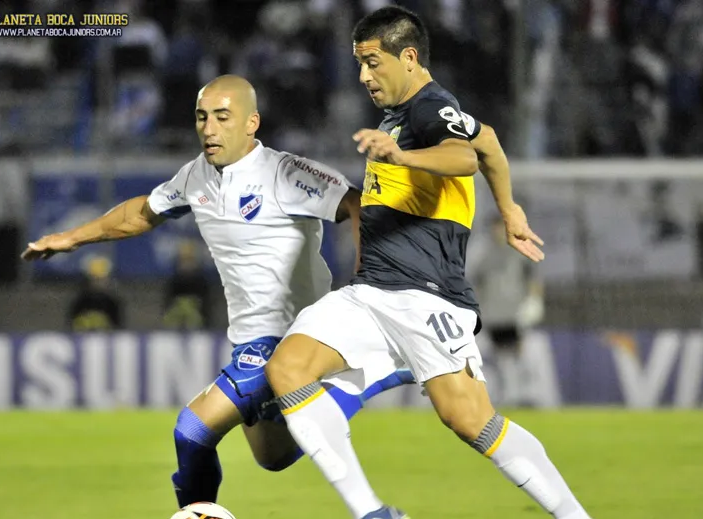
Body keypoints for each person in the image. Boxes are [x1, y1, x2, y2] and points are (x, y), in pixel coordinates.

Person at [21, 75, 412, 508]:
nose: (209, 128)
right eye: (202, 117)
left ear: (251, 123)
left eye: (222, 117)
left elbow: (358, 205)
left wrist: (366, 282)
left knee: (192, 430)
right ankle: (370, 374)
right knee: (272, 455)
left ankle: (198, 515)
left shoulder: (286, 173)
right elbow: (142, 213)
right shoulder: (196, 177)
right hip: (247, 339)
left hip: (291, 333)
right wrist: (72, 238)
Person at [265, 7, 593, 519]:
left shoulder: (427, 106)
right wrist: (508, 209)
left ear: (409, 57)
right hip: (371, 292)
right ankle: (372, 512)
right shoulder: (407, 113)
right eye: (358, 64)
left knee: (469, 419)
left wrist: (402, 157)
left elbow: (462, 157)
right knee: (287, 368)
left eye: (372, 62)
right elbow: (487, 142)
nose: (363, 76)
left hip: (425, 295)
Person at [472, 215, 545, 407]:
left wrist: (535, 300)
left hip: (516, 313)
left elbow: (533, 278)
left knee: (522, 354)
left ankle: (529, 394)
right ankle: (507, 395)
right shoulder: (483, 254)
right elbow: (476, 282)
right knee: (500, 357)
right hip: (493, 314)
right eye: (495, 228)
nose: (497, 232)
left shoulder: (519, 252)